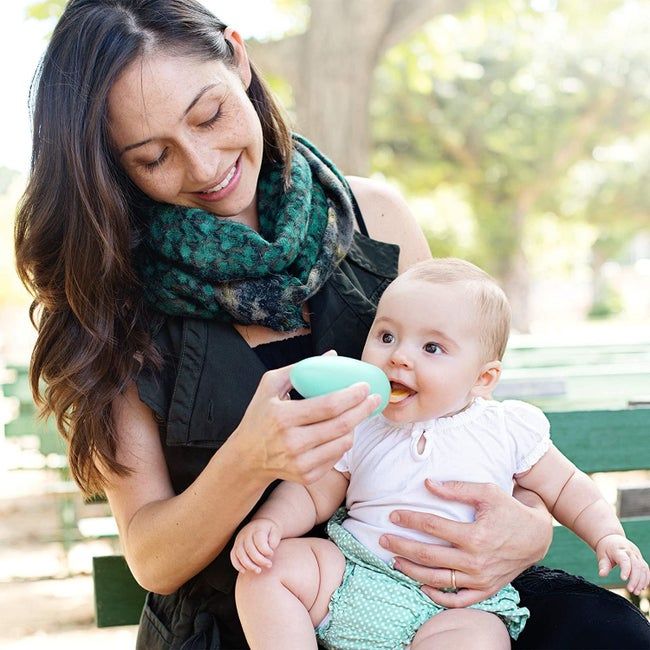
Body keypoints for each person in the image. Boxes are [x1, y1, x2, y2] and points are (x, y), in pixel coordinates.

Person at [13, 1, 650, 648]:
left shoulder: (376, 217)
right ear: (110, 164)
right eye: (153, 157)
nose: (205, 167)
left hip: (432, 592)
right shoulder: (111, 300)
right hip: (255, 611)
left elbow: (471, 418)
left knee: (609, 634)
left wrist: (532, 527)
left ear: (238, 57)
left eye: (210, 115)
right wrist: (250, 461)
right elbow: (152, 557)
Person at [231, 257, 650, 649]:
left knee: (480, 638)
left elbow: (568, 487)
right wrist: (271, 524)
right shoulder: (362, 421)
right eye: (387, 336)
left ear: (483, 378)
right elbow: (311, 491)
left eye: (432, 348)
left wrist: (608, 535)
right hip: (354, 575)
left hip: (455, 605)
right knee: (267, 573)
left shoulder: (506, 428)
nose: (399, 356)